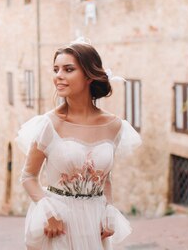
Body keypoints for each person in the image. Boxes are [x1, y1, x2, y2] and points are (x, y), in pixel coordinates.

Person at [15, 40, 141, 250]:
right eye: (56, 69)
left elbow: (104, 176)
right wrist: (49, 213)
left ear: (89, 76)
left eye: (68, 69)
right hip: (58, 222)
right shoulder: (49, 124)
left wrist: (108, 210)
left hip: (94, 221)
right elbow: (28, 176)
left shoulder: (114, 126)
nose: (59, 76)